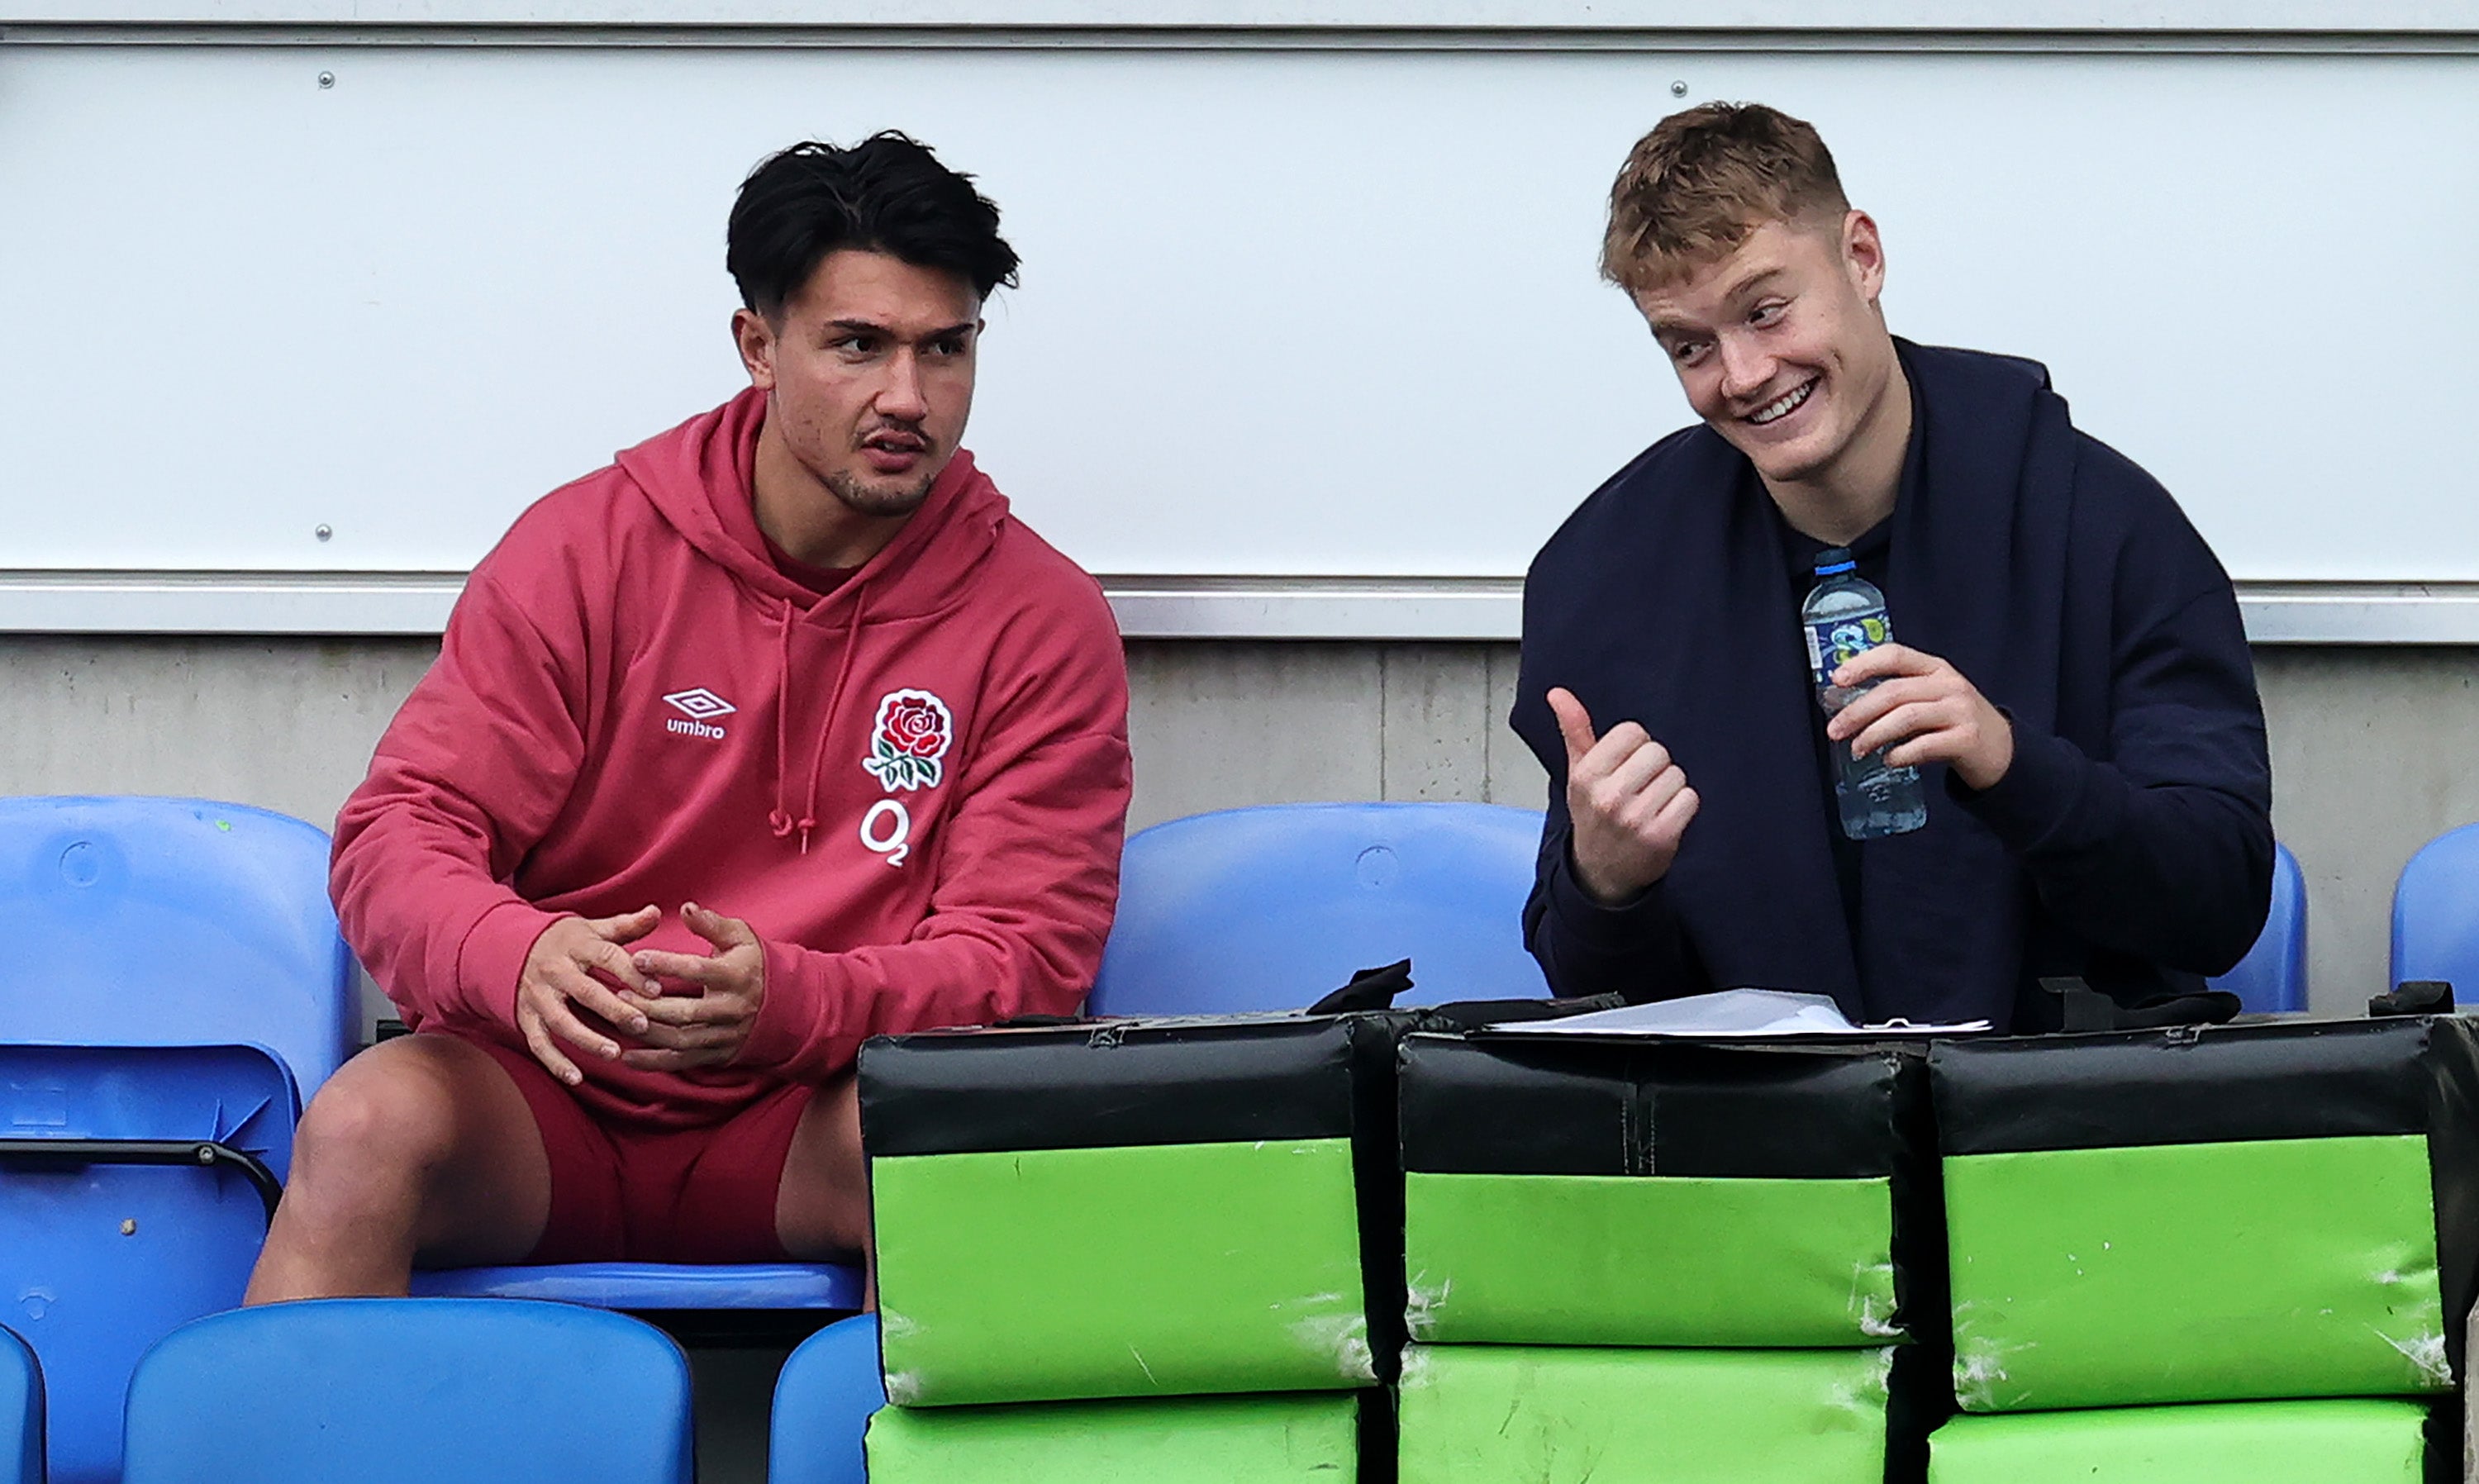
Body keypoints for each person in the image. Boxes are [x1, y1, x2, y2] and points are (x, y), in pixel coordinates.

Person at [245, 133, 1132, 1300]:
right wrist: (515, 956)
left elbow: (1025, 960)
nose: (907, 398)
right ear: (757, 346)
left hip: (808, 1119)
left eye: (946, 349)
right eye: (857, 345)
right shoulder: (586, 551)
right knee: (365, 1128)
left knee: (950, 1157)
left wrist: (797, 1004)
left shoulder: (1039, 618)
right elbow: (403, 830)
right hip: (539, 1103)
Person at [1511, 102, 2271, 1032]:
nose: (1744, 374)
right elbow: (1604, 1004)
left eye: (1765, 310)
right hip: (1769, 1143)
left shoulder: (2103, 528)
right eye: (1690, 345)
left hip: (2054, 1129)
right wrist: (1607, 886)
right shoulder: (1607, 580)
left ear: (1862, 257)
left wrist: (2011, 762)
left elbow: (2219, 897)